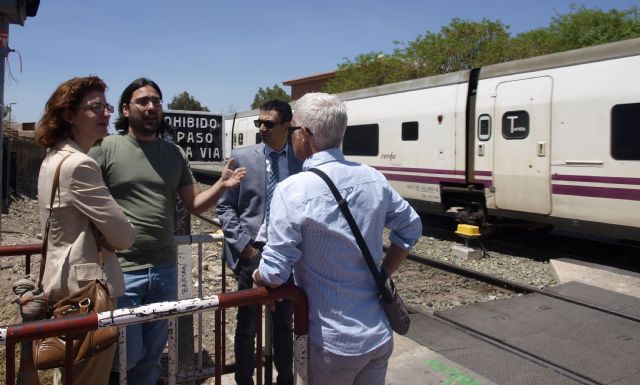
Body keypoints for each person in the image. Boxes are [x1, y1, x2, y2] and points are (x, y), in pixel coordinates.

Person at [252, 93, 422, 385]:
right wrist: (382, 273)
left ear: (304, 135)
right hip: (378, 334)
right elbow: (411, 227)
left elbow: (274, 273)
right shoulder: (372, 178)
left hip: (331, 344)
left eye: (293, 130)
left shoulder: (292, 190)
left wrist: (258, 276)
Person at [88, 78, 246, 385]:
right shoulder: (105, 148)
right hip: (121, 269)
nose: (151, 107)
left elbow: (195, 204)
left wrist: (222, 185)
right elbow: (86, 201)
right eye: (143, 101)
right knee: (126, 354)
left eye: (157, 102)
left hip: (164, 269)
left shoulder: (174, 154)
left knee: (150, 359)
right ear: (125, 109)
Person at [35, 76, 135, 385]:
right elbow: (124, 236)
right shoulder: (80, 165)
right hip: (87, 294)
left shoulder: (54, 157)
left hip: (60, 284)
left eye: (106, 106)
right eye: (94, 107)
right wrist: (109, 231)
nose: (106, 113)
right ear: (68, 115)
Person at [217, 99, 302, 385]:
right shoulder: (242, 157)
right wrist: (245, 247)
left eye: (269, 123)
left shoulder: (301, 161)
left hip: (287, 253)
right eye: (259, 123)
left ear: (287, 125)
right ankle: (244, 380)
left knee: (284, 325)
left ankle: (285, 379)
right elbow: (225, 207)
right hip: (251, 251)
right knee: (247, 325)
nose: (262, 128)